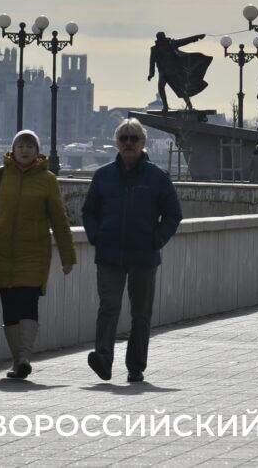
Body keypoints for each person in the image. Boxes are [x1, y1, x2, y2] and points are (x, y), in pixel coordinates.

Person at [82, 118, 182, 383]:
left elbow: (173, 215)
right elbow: (89, 211)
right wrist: (96, 237)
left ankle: (135, 366)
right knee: (109, 306)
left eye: (133, 138)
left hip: (144, 256)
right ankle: (103, 359)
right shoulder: (103, 176)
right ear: (117, 142)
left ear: (143, 143)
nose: (128, 143)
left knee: (141, 313)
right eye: (123, 138)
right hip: (109, 254)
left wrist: (155, 240)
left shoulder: (157, 177)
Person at [0, 130, 76, 379]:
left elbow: (59, 220)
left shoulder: (47, 180)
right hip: (3, 253)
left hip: (34, 253)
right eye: (21, 145)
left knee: (28, 301)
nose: (25, 149)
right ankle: (18, 361)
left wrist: (67, 256)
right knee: (9, 306)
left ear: (37, 151)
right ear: (13, 149)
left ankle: (25, 356)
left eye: (30, 146)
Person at [148, 31, 212, 112]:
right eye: (159, 38)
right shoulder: (154, 49)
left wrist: (197, 37)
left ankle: (190, 107)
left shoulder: (171, 44)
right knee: (161, 88)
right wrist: (151, 74)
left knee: (182, 90)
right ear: (157, 38)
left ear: (164, 37)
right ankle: (165, 107)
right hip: (163, 73)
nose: (161, 39)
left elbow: (185, 40)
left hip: (173, 72)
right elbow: (152, 62)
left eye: (162, 37)